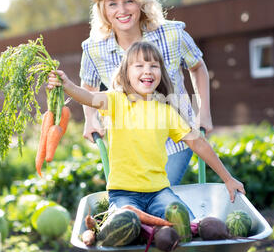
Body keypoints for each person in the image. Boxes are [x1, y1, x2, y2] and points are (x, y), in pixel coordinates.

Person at [47, 41, 245, 220]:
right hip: (123, 193)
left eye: (154, 66)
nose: (148, 71)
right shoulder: (116, 101)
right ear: (126, 72)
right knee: (125, 222)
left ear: (161, 73)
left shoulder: (167, 111)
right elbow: (88, 97)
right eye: (139, 66)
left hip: (159, 192)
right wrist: (68, 85)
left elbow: (197, 143)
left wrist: (228, 178)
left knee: (183, 219)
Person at [79, 0, 213, 186]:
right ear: (104, 10)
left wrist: (204, 113)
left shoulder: (172, 34)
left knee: (156, 191)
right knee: (139, 204)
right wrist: (90, 120)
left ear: (141, 2)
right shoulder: (94, 48)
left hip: (174, 139)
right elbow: (89, 87)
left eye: (129, 0)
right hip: (127, 147)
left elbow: (197, 67)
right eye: (113, 4)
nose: (122, 10)